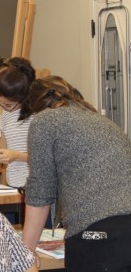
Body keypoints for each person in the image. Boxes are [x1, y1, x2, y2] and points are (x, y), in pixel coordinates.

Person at [22, 76, 131, 270]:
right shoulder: (100, 120)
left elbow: (40, 192)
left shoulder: (44, 121)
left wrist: (25, 251)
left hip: (100, 232)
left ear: (35, 106)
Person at [0, 57, 35, 187]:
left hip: (34, 186)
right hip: (13, 185)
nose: (3, 107)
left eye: (8, 105)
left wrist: (17, 156)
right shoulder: (7, 115)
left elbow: (46, 159)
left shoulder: (37, 117)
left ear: (22, 98)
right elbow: (0, 149)